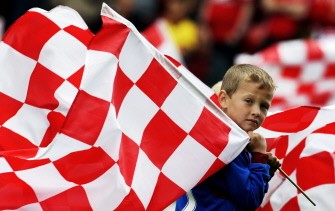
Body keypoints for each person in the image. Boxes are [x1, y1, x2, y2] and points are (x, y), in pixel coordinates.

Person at [175, 64, 281, 210]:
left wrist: (262, 167)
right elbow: (250, 199)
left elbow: (231, 190)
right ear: (223, 99)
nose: (256, 111)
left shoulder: (219, 137)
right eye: (248, 101)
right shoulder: (228, 144)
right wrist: (258, 156)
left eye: (264, 106)